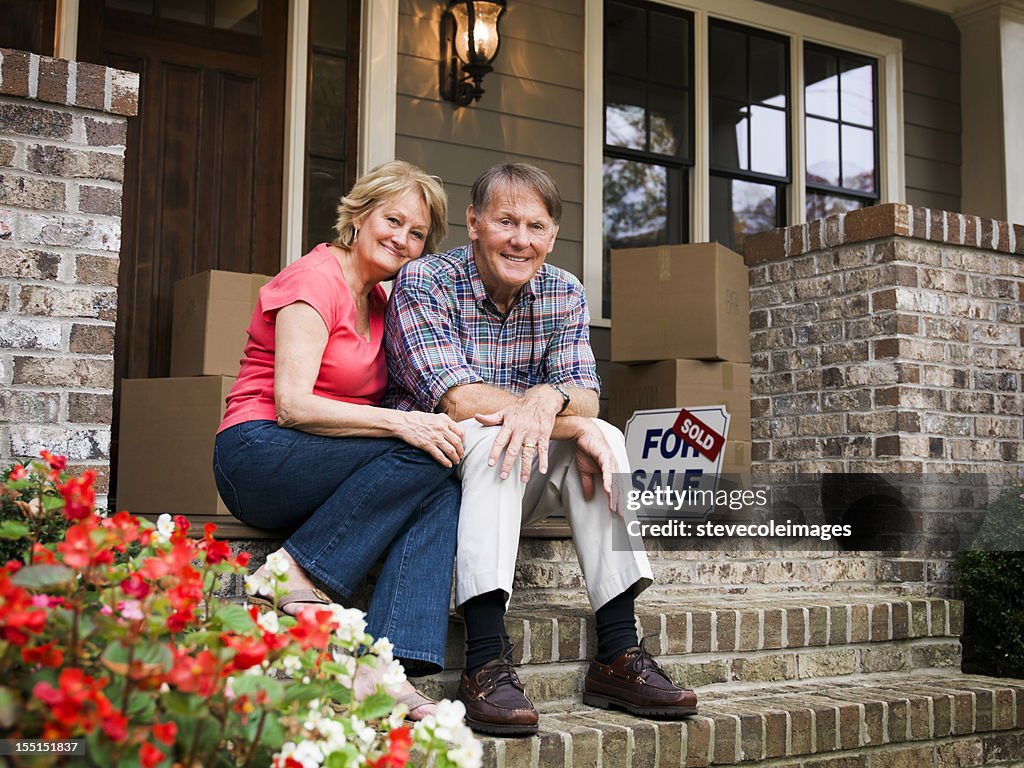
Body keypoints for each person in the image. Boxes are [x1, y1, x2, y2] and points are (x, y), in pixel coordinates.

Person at [384, 162, 698, 736]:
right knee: (503, 434)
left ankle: (619, 651)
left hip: (510, 478)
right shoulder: (426, 280)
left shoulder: (564, 290)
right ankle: (484, 658)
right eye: (506, 221)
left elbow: (586, 399)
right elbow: (456, 401)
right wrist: (555, 416)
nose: (521, 240)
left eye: (536, 226)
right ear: (475, 223)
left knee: (601, 436)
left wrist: (548, 400)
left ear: (553, 235)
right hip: (434, 477)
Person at [213, 160, 464, 720]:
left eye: (417, 233)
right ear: (360, 215)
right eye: (392, 220)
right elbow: (292, 405)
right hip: (257, 451)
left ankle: (385, 669)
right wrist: (403, 424)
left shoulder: (381, 302)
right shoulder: (313, 280)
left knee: (443, 476)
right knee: (419, 444)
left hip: (323, 464)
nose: (401, 238)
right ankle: (295, 571)